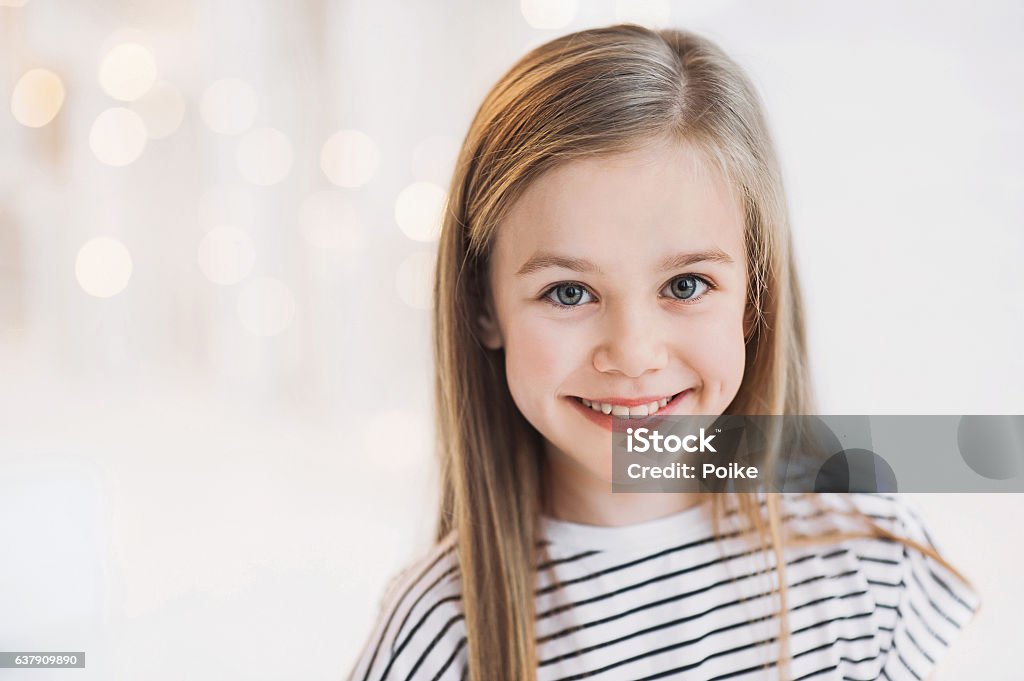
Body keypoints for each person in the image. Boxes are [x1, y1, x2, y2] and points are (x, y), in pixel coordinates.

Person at [347, 24, 979, 681]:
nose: (633, 352)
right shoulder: (440, 635)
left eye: (685, 285)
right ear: (484, 306)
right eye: (569, 292)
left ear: (754, 293)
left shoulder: (865, 549)